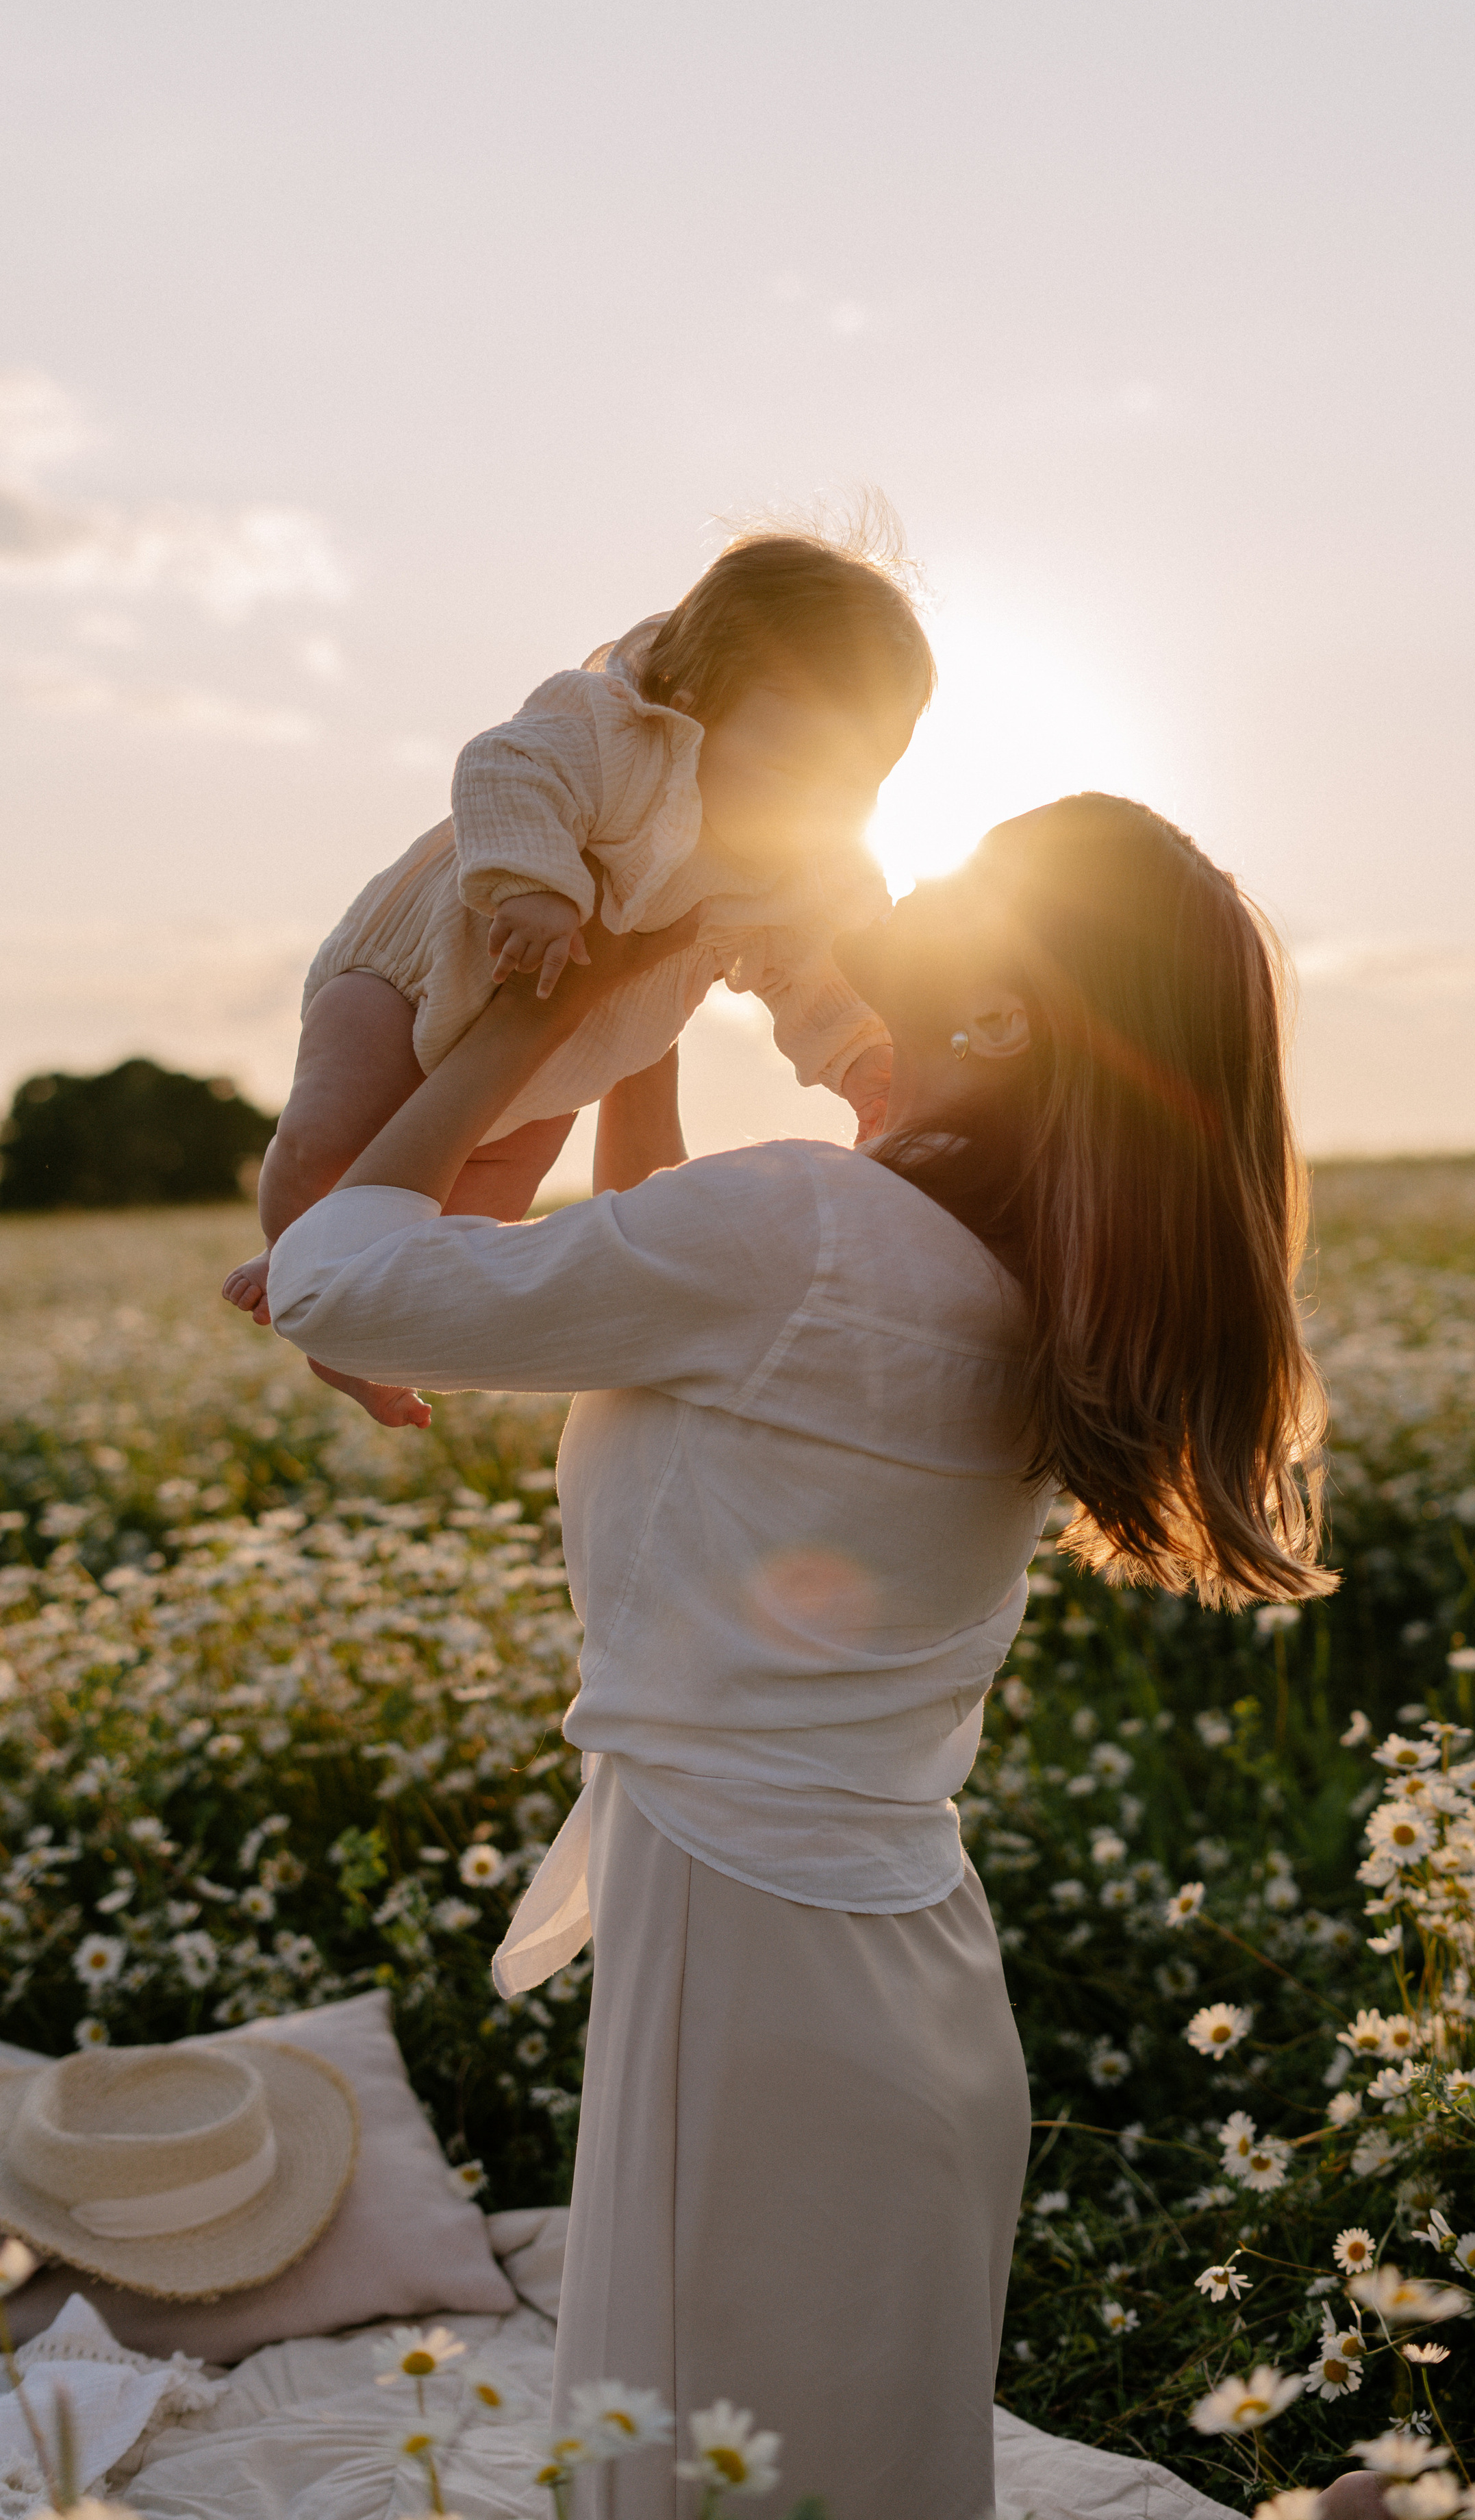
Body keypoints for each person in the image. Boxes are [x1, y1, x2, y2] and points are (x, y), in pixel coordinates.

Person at [266, 791, 1335, 2520]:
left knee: (697, 2473)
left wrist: (539, 1022)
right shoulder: (993, 1268)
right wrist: (640, 1046)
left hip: (751, 1966)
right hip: (895, 1975)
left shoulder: (810, 1233)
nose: (914, 879)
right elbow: (673, 1303)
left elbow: (336, 1277)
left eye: (970, 882)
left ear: (1002, 1014)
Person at [224, 527, 933, 1425]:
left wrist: (861, 1056)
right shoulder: (614, 731)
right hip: (419, 970)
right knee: (324, 1145)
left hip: (567, 1054)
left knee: (469, 1225)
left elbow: (814, 970)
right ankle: (299, 1264)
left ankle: (374, 1323)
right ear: (695, 698)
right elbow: (507, 766)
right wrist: (537, 887)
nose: (820, 802)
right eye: (796, 766)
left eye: (860, 778)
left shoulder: (808, 864)